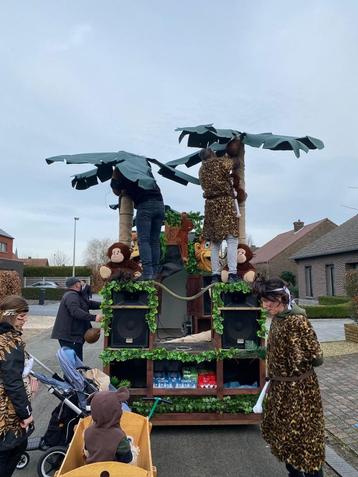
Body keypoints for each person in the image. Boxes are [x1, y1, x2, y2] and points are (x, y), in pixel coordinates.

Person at [253, 277, 325, 477]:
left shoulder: (297, 321)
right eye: (263, 300)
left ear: (282, 297)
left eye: (269, 300)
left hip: (301, 390)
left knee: (306, 439)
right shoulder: (278, 319)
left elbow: (318, 358)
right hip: (281, 389)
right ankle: (293, 474)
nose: (265, 305)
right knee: (285, 437)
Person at [0, 295, 34, 477]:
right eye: (22, 316)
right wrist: (26, 413)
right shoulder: (10, 342)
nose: (25, 320)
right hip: (7, 410)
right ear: (13, 315)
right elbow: (13, 382)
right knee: (13, 447)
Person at [111, 168, 165, 281]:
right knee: (154, 240)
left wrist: (114, 173)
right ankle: (155, 271)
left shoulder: (126, 174)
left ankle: (148, 272)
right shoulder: (143, 170)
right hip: (160, 205)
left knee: (143, 240)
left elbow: (116, 189)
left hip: (145, 206)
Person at [199, 148, 242, 283]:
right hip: (225, 204)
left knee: (215, 242)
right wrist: (228, 155)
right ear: (212, 153)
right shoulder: (220, 162)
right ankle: (233, 274)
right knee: (231, 239)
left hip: (211, 206)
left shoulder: (201, 170)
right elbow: (236, 163)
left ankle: (215, 275)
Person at [51, 277, 102, 361]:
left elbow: (89, 303)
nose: (81, 284)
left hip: (73, 336)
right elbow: (75, 312)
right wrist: (94, 317)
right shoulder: (71, 296)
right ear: (77, 285)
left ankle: (73, 374)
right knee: (74, 363)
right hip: (70, 337)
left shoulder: (76, 295)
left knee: (74, 363)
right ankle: (72, 374)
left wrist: (104, 305)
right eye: (80, 283)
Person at [84, 388, 133, 464]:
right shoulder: (119, 436)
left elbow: (87, 451)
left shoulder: (88, 432)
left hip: (92, 469)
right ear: (117, 412)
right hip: (115, 471)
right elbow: (127, 459)